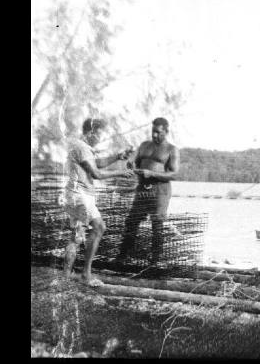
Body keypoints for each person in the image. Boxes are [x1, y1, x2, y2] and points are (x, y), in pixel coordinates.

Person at [64, 117, 134, 287]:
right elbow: (96, 174)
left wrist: (118, 157)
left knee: (76, 236)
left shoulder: (81, 147)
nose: (100, 139)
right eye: (99, 135)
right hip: (81, 196)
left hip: (75, 195)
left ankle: (66, 276)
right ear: (90, 132)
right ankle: (86, 275)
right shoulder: (82, 147)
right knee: (99, 227)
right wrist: (121, 173)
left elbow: (96, 164)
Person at [119, 117, 180, 268]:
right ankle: (123, 256)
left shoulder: (172, 149)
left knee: (157, 224)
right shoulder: (144, 145)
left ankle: (155, 261)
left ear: (166, 132)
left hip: (160, 190)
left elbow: (173, 174)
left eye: (158, 132)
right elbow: (134, 162)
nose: (154, 135)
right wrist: (130, 162)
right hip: (142, 188)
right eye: (153, 132)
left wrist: (151, 174)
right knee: (131, 221)